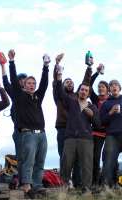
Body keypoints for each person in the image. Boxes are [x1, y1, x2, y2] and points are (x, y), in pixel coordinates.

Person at [8, 49, 50, 196]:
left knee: (40, 161)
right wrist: (11, 62)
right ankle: (26, 186)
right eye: (29, 83)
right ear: (24, 85)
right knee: (28, 161)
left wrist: (46, 66)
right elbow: (13, 79)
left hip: (42, 134)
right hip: (28, 134)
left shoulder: (38, 96)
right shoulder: (19, 96)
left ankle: (37, 185)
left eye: (33, 83)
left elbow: (45, 83)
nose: (31, 85)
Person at [56, 69, 100, 194]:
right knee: (66, 164)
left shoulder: (92, 107)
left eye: (86, 90)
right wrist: (59, 78)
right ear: (78, 91)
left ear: (89, 93)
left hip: (86, 139)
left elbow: (98, 124)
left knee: (86, 165)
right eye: (82, 89)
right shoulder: (71, 102)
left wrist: (92, 115)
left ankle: (86, 190)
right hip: (70, 138)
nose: (84, 91)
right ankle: (63, 189)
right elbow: (60, 93)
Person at [52, 53, 93, 187]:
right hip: (63, 129)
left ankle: (76, 184)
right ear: (63, 84)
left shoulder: (76, 97)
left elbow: (86, 82)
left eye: (71, 82)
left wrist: (89, 68)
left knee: (77, 160)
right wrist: (57, 66)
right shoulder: (60, 96)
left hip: (77, 131)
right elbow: (56, 84)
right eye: (67, 81)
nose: (70, 83)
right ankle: (64, 184)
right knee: (65, 159)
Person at [0, 61, 27, 159]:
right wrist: (3, 65)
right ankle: (22, 174)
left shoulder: (33, 94)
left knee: (33, 158)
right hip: (19, 131)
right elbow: (6, 82)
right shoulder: (15, 93)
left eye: (25, 79)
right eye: (21, 79)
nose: (23, 81)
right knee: (21, 158)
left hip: (33, 131)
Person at [89, 64, 109, 187]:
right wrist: (96, 72)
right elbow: (89, 84)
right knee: (95, 158)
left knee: (108, 158)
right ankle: (95, 183)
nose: (100, 88)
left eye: (103, 87)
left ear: (107, 89)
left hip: (110, 133)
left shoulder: (112, 100)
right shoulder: (95, 99)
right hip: (96, 133)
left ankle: (108, 182)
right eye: (99, 87)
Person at [100, 80, 122, 188]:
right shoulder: (106, 103)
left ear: (119, 88)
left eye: (116, 85)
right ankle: (107, 186)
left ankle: (119, 182)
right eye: (111, 85)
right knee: (108, 160)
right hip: (112, 135)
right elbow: (102, 121)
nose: (114, 87)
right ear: (110, 90)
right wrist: (110, 112)